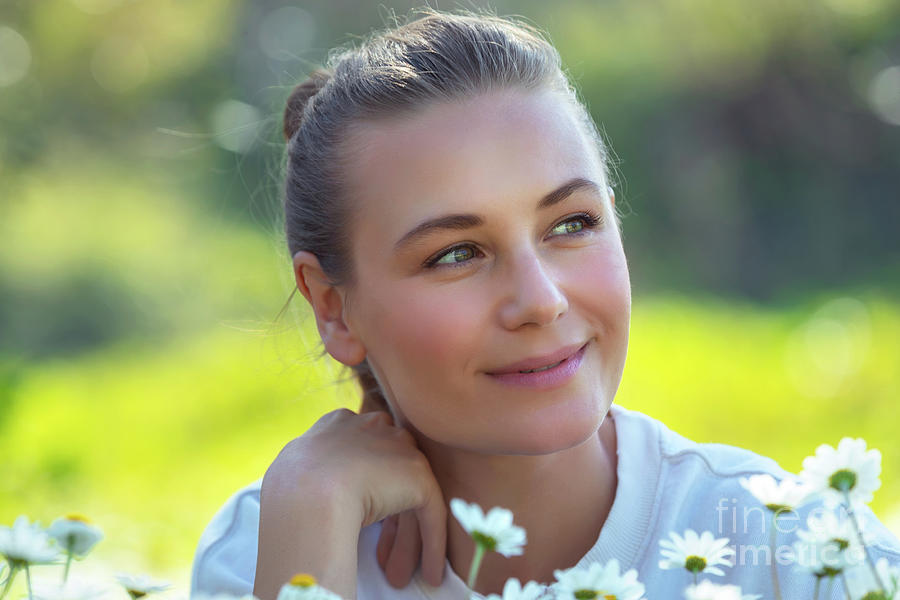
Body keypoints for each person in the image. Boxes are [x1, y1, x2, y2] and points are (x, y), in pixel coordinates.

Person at [190, 9, 900, 600]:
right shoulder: (273, 548)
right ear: (334, 309)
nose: (540, 300)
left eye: (572, 225)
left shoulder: (801, 549)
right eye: (455, 254)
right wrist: (309, 534)